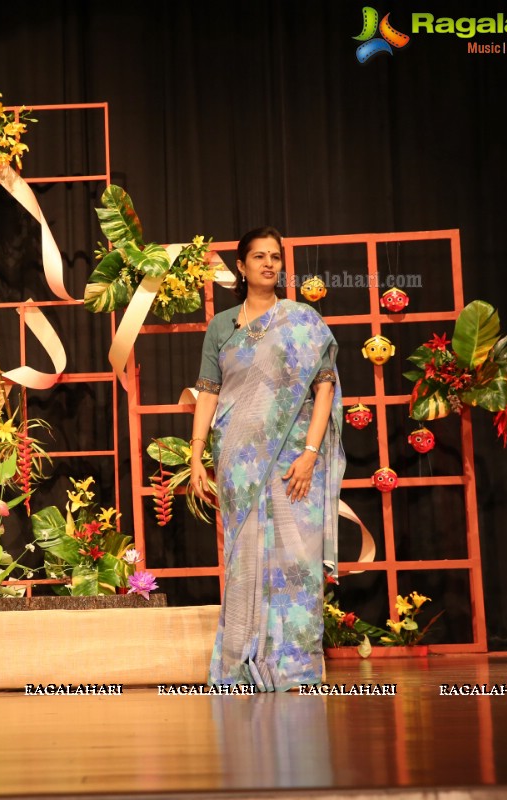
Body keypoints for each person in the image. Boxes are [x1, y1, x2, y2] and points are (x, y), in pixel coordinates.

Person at [188, 226, 344, 691]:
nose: (269, 264)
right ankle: (243, 663)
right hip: (239, 460)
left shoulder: (302, 320)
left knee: (298, 559)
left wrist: (311, 454)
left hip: (296, 461)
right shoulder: (223, 326)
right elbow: (209, 393)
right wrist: (197, 457)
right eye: (259, 256)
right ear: (241, 266)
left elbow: (325, 386)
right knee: (245, 561)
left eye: (275, 256)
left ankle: (295, 668)